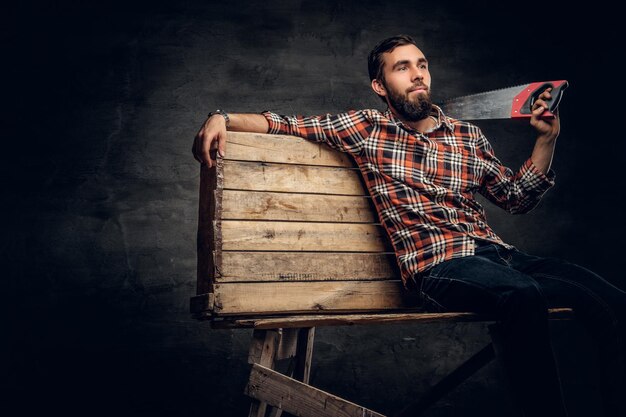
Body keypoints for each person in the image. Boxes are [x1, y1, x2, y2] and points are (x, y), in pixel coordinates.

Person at [192, 34, 625, 417]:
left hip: (499, 257)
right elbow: (283, 123)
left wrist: (545, 140)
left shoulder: (466, 135)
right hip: (437, 266)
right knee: (520, 296)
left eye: (422, 65)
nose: (417, 75)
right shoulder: (366, 127)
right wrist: (221, 117)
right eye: (403, 68)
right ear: (381, 86)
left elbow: (516, 198)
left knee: (612, 302)